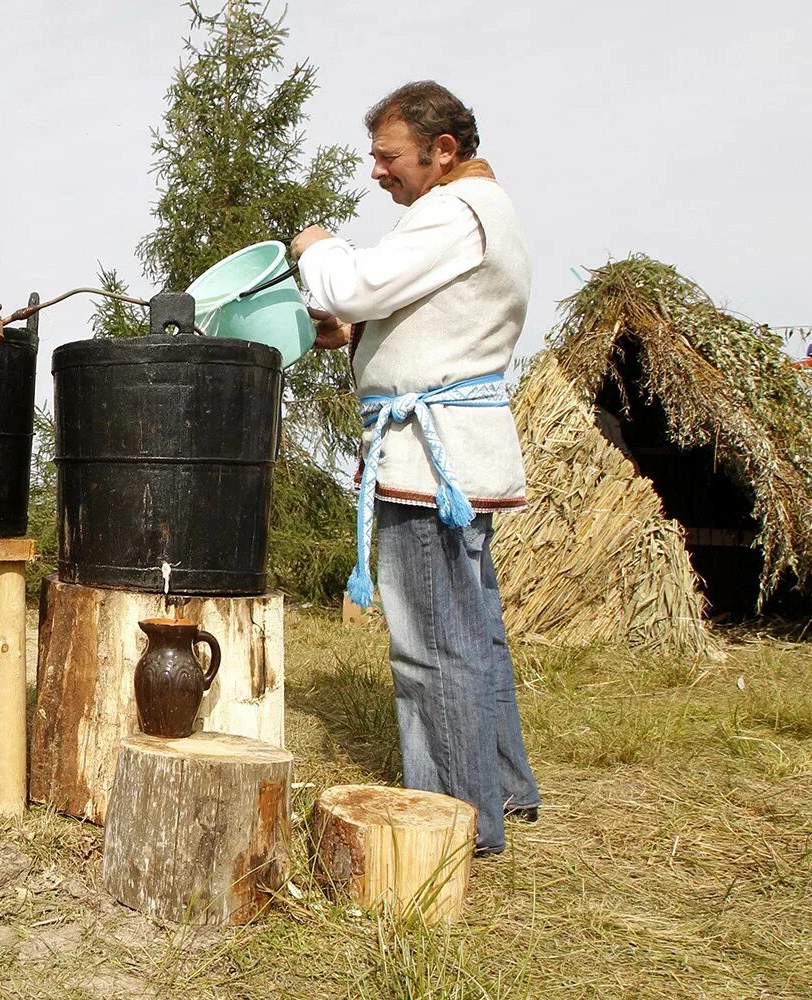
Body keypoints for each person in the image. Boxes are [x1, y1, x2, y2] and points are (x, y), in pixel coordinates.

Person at [291, 81, 540, 855]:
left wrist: (317, 246)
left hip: (430, 464)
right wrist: (360, 333)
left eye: (387, 156)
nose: (377, 172)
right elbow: (419, 315)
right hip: (456, 454)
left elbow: (352, 280)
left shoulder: (455, 210)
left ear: (443, 151)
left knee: (433, 647)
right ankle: (498, 791)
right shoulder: (476, 213)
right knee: (473, 633)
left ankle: (453, 827)